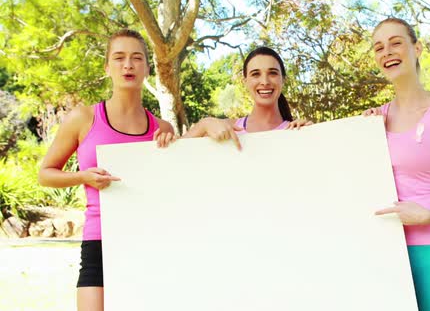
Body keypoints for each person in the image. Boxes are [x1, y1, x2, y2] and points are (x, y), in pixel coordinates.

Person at [38, 29, 174, 311]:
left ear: (147, 68)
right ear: (107, 67)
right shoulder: (82, 118)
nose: (128, 65)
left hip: (150, 239)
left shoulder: (163, 129)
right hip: (98, 241)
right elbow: (46, 174)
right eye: (119, 57)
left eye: (137, 58)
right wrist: (82, 177)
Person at [364, 18, 430, 310]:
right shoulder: (373, 121)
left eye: (396, 42)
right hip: (383, 251)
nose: (387, 52)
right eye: (379, 47)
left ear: (417, 48)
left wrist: (426, 216)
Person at [155, 46, 311, 148]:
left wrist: (313, 134)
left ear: (283, 79)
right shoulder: (224, 128)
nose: (264, 81)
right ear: (245, 82)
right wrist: (203, 125)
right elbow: (176, 160)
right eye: (256, 74)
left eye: (273, 73)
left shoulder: (297, 132)